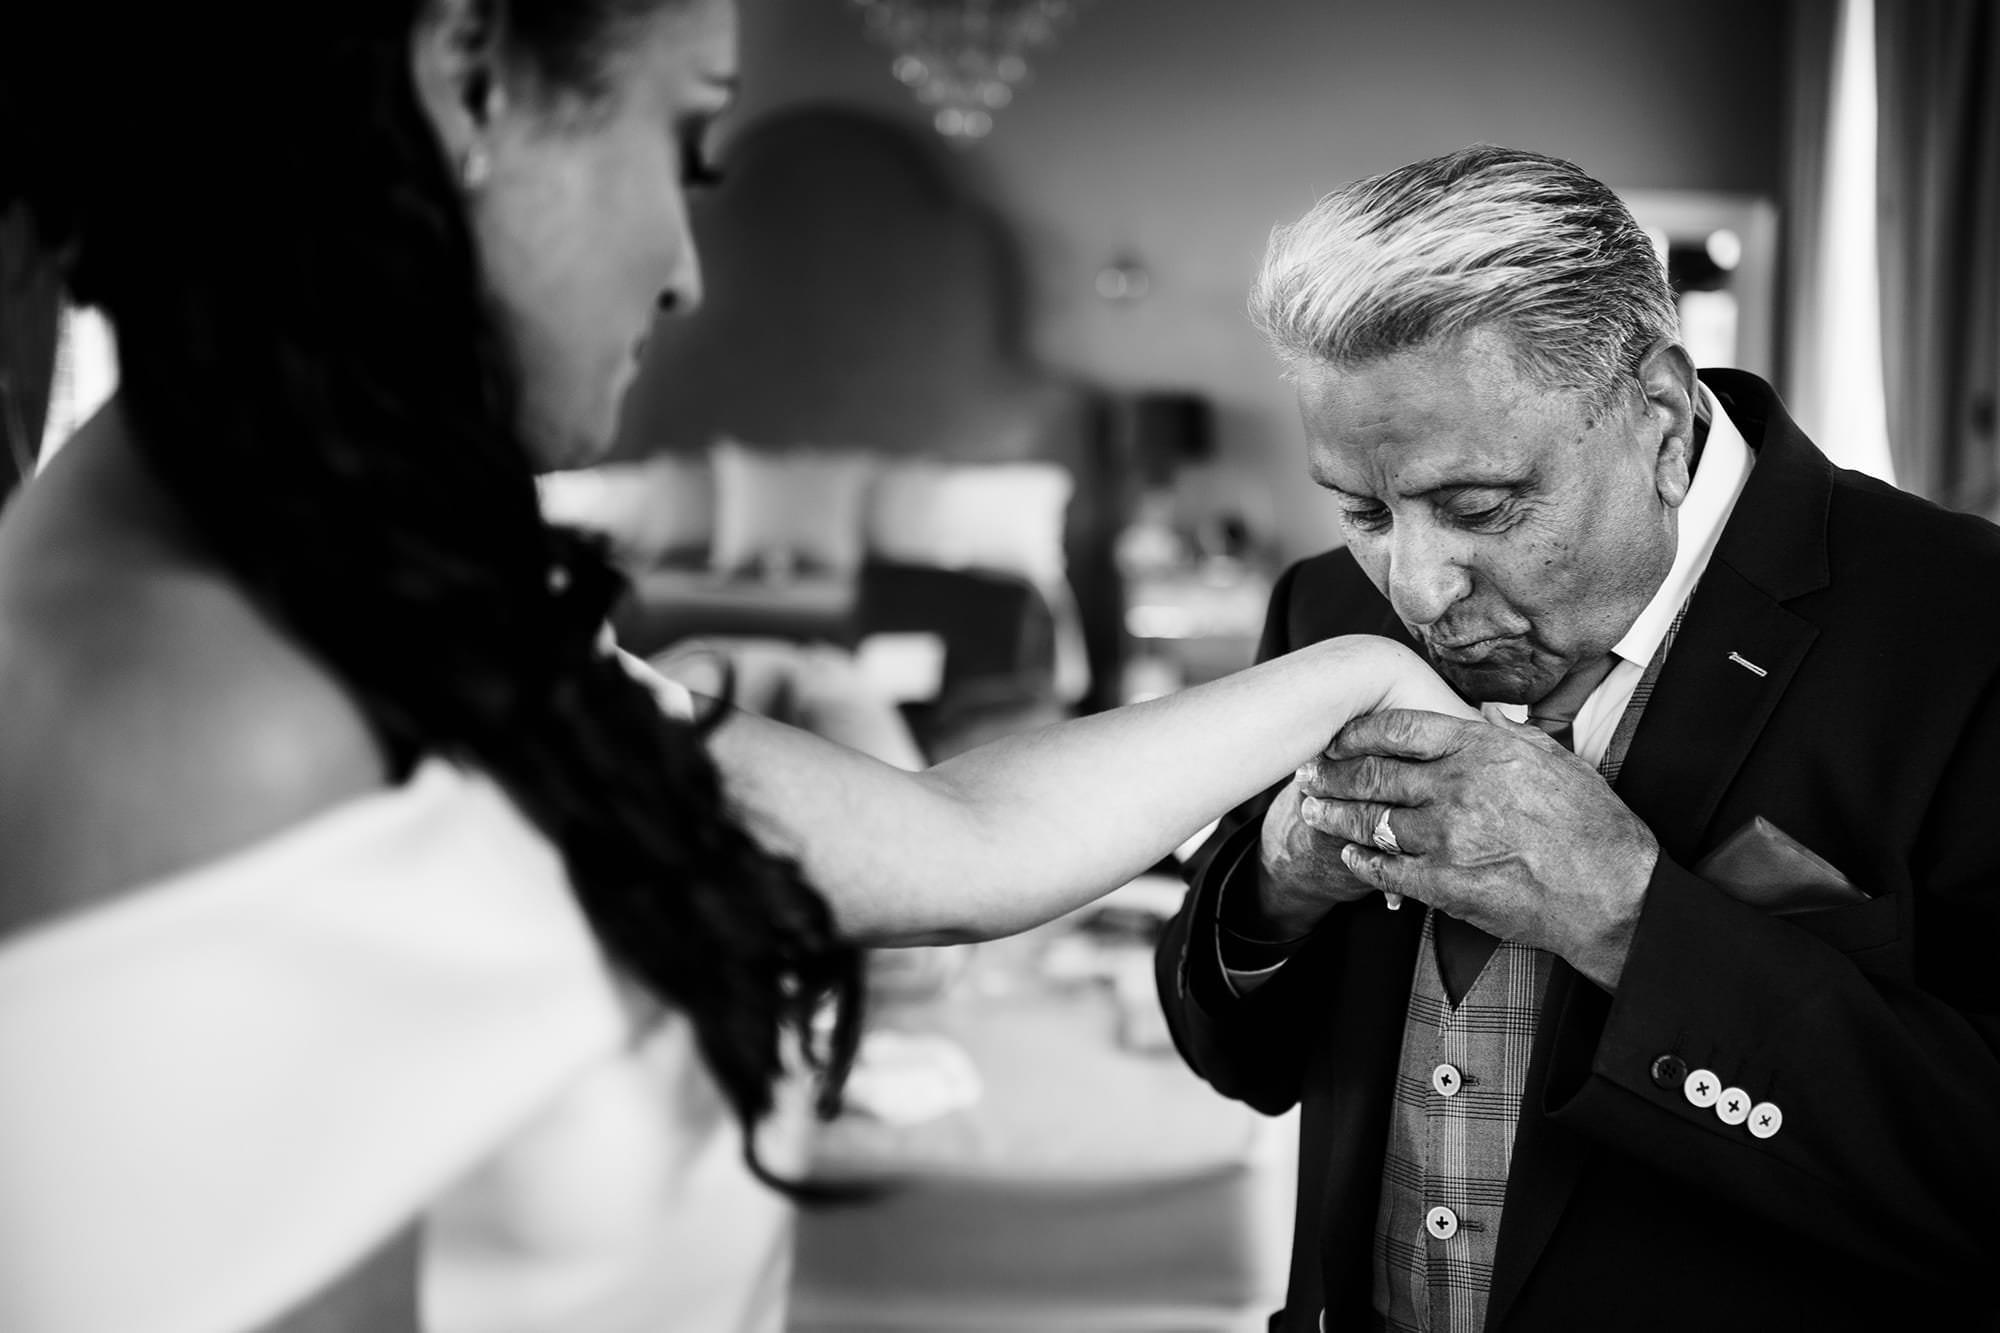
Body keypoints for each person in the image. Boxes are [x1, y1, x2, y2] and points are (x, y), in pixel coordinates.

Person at [0, 3, 1471, 1331]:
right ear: (471, 79)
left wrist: (1354, 667)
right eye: (688, 141)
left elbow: (967, 843)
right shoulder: (206, 715)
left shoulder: (390, 591)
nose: (688, 275)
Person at [1156, 144, 2000, 1332]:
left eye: (1477, 508)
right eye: (1358, 509)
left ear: (1656, 417)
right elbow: (1232, 1054)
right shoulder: (1321, 612)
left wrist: (1632, 917)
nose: (1415, 587)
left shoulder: (1964, 628)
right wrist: (1274, 890)